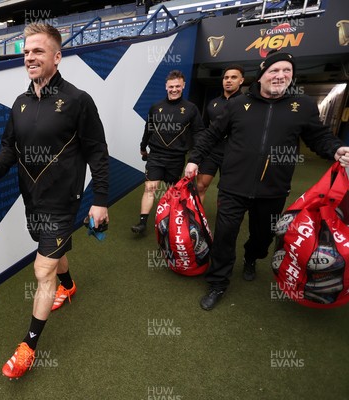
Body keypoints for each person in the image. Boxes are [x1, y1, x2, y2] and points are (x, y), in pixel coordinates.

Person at [0, 23, 109, 379]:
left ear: (56, 56)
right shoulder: (20, 104)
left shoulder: (79, 100)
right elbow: (9, 147)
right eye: (25, 52)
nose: (29, 57)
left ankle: (28, 346)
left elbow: (97, 152)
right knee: (55, 254)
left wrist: (100, 199)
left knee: (42, 268)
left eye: (37, 51)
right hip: (32, 199)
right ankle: (69, 287)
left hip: (64, 201)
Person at [184, 50, 349, 311]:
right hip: (233, 186)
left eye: (287, 71)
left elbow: (319, 138)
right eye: (274, 70)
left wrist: (336, 149)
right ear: (261, 76)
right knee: (225, 235)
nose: (280, 75)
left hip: (273, 189)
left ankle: (252, 257)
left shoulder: (303, 105)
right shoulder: (237, 105)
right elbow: (211, 134)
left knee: (262, 237)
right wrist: (194, 159)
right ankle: (217, 282)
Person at [131, 70, 204, 234]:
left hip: (176, 158)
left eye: (178, 86)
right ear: (166, 86)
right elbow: (148, 129)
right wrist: (143, 147)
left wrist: (196, 157)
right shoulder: (156, 107)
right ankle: (142, 223)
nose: (174, 89)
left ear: (183, 86)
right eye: (171, 86)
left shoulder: (191, 109)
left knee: (171, 191)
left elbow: (198, 132)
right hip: (155, 155)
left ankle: (170, 221)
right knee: (150, 188)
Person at [197, 64, 245, 203]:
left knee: (227, 192)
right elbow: (203, 127)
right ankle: (197, 221)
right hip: (211, 152)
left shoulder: (247, 103)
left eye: (233, 77)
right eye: (226, 77)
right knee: (200, 186)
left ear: (241, 81)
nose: (228, 80)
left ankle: (222, 224)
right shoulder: (213, 103)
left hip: (233, 153)